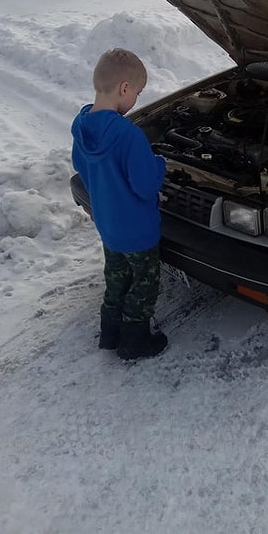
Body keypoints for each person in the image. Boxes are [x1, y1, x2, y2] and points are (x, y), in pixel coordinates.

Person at [71, 48, 167, 360]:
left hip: (109, 226)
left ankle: (111, 332)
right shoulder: (129, 136)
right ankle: (135, 340)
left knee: (116, 276)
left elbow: (83, 170)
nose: (136, 99)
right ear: (124, 88)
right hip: (138, 232)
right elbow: (145, 186)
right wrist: (159, 164)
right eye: (137, 92)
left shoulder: (82, 126)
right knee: (144, 283)